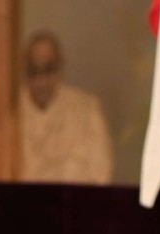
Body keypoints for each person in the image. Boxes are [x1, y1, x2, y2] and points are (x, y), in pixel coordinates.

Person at [18, 31, 113, 185]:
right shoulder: (10, 116)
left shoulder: (87, 110)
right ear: (24, 72)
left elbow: (101, 176)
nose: (40, 79)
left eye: (48, 69)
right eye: (33, 70)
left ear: (59, 68)